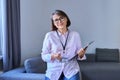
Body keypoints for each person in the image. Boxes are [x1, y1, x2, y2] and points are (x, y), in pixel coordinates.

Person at [41, 10, 86, 80]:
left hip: (71, 70)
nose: (59, 21)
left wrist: (81, 54)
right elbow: (44, 56)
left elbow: (79, 55)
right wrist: (53, 56)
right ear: (54, 23)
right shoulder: (49, 35)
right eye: (56, 20)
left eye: (61, 18)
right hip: (53, 71)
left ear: (66, 19)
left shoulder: (75, 35)